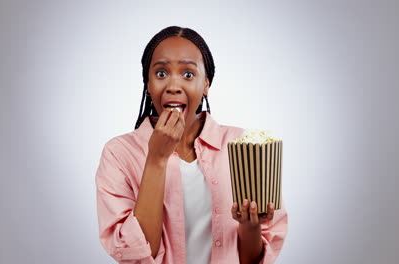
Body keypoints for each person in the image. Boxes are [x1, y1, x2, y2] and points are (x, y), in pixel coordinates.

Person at [95, 26, 288, 264]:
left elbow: (252, 260)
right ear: (148, 83)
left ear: (206, 84)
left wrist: (250, 227)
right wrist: (156, 158)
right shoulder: (118, 153)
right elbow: (137, 256)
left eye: (188, 74)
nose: (173, 86)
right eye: (161, 74)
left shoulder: (243, 147)